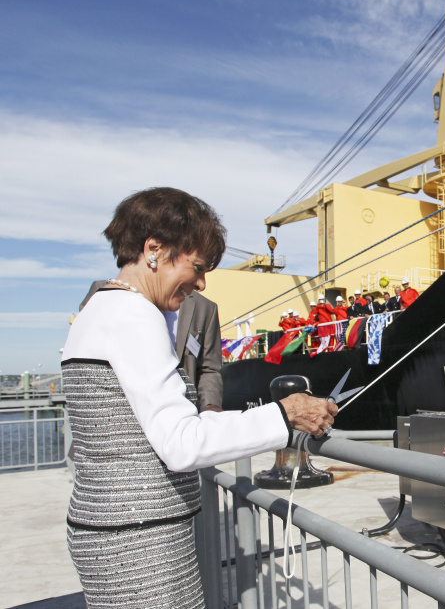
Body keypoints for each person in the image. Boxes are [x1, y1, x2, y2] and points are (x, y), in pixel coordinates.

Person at [61, 187, 338, 609]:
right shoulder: (135, 315)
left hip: (109, 531)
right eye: (198, 266)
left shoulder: (98, 308)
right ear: (155, 249)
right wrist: (284, 415)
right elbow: (181, 443)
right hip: (142, 544)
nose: (203, 282)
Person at [81, 282, 223, 412]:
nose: (202, 283)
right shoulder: (104, 293)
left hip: (180, 420)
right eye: (197, 267)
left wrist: (211, 406)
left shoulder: (204, 307)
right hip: (116, 419)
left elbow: (209, 368)